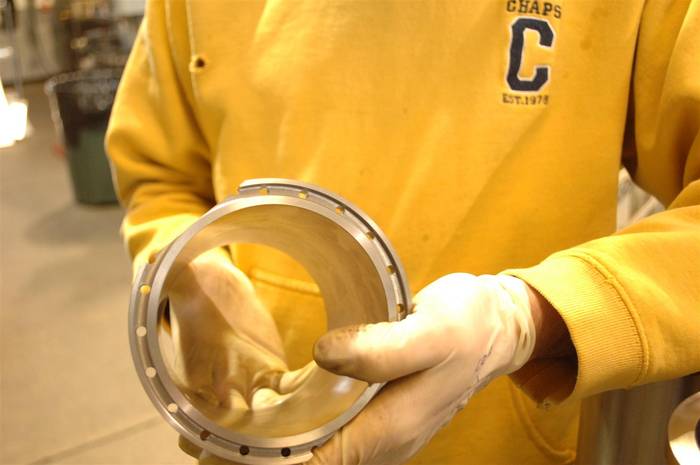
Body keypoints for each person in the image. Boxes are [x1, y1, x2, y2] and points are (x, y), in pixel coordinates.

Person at [106, 1, 700, 464]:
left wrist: (524, 318)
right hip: (256, 432)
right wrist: (192, 277)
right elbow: (160, 175)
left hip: (505, 439)